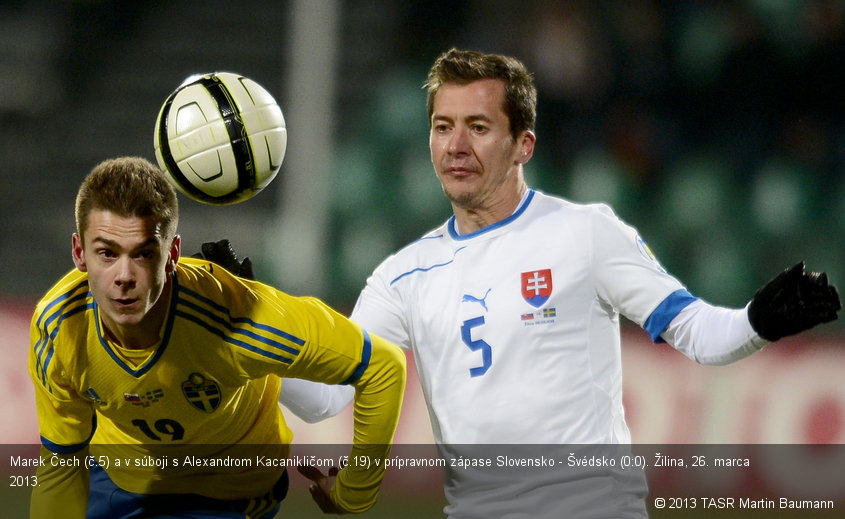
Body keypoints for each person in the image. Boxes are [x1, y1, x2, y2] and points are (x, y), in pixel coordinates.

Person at [283, 48, 841, 517]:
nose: (456, 145)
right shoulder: (401, 277)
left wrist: (755, 322)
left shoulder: (585, 234)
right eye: (442, 127)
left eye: (478, 127)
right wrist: (248, 319)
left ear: (523, 144)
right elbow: (323, 399)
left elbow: (695, 331)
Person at [27, 156, 407, 518]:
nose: (124, 276)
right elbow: (62, 463)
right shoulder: (58, 327)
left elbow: (383, 367)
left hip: (225, 491)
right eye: (106, 254)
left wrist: (354, 491)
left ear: (172, 254)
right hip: (117, 476)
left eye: (143, 254)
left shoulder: (237, 318)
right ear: (79, 253)